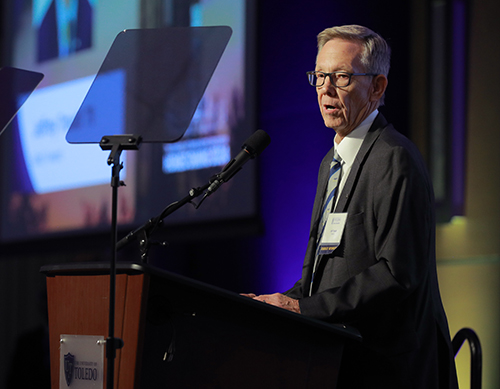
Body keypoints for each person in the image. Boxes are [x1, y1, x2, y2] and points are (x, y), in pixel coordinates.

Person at [243, 25, 458, 388]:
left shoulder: (393, 158)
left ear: (377, 87)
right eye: (319, 76)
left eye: (341, 77)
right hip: (341, 362)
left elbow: (395, 274)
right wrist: (277, 304)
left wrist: (303, 309)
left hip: (389, 371)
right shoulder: (331, 162)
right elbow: (321, 275)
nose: (325, 88)